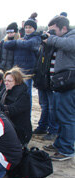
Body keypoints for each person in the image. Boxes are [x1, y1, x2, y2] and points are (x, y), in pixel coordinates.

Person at [42, 16, 75, 161]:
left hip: (69, 85)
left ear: (64, 29)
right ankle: (60, 143)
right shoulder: (60, 40)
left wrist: (51, 39)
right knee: (60, 116)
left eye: (54, 31)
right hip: (60, 84)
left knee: (67, 118)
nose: (52, 34)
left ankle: (67, 150)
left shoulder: (71, 37)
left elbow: (69, 45)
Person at [3, 14, 41, 108]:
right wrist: (20, 42)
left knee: (26, 94)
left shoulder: (36, 38)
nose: (27, 29)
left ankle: (27, 114)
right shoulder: (24, 38)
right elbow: (6, 44)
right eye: (26, 27)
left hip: (28, 71)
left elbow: (29, 44)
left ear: (34, 29)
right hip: (18, 71)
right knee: (17, 93)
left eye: (30, 28)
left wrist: (18, 42)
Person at [32, 34, 58, 141]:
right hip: (41, 81)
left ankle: (53, 130)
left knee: (52, 107)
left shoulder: (56, 48)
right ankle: (42, 126)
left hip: (51, 82)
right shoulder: (42, 47)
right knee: (44, 105)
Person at [0, 68, 32, 146]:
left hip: (20, 131)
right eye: (5, 80)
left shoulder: (23, 96)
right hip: (9, 127)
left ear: (17, 82)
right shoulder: (5, 91)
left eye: (9, 81)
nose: (6, 83)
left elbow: (13, 110)